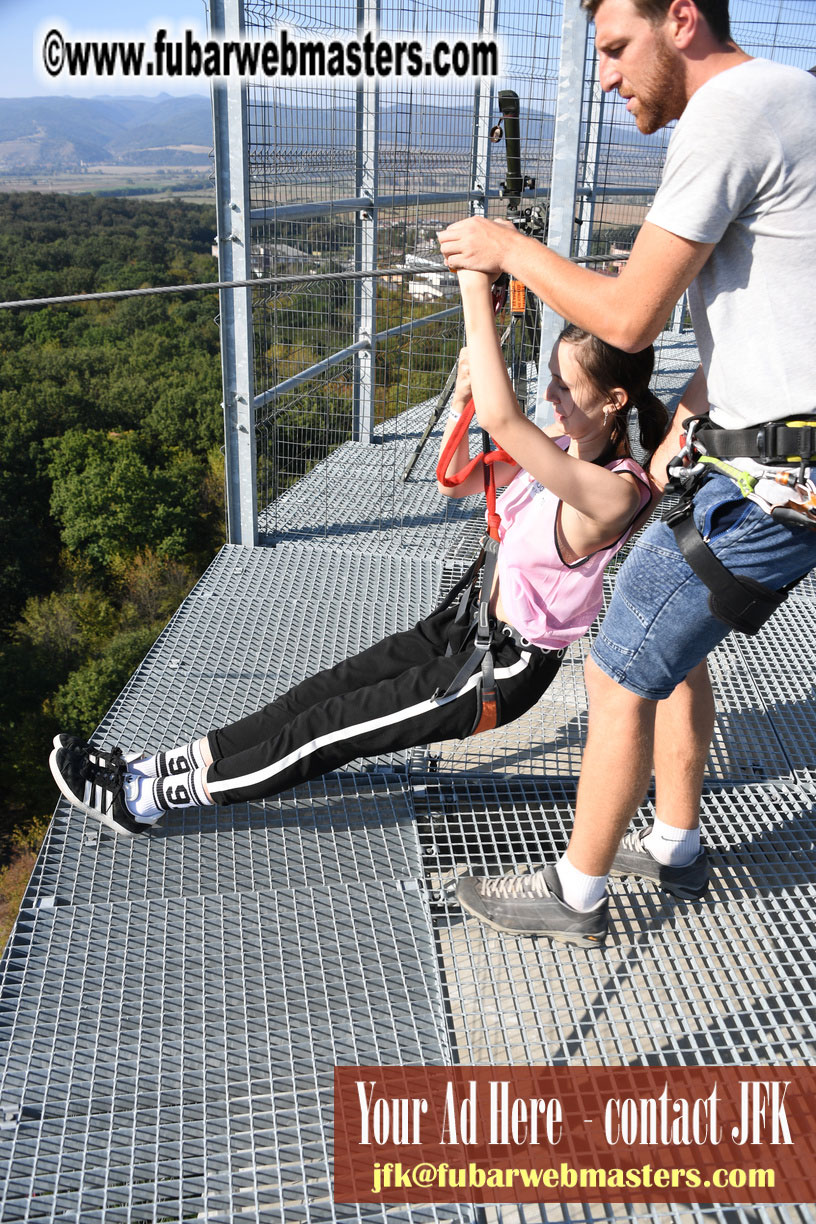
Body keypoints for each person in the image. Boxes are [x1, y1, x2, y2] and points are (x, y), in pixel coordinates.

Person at [441, 0, 816, 945]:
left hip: (775, 485)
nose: (606, 75)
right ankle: (680, 840)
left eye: (615, 48)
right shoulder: (792, 97)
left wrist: (507, 249)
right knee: (673, 656)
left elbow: (629, 318)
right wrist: (701, 398)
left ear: (680, 18)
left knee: (616, 673)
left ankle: (576, 895)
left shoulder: (729, 112)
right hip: (773, 457)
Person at [49, 270, 664, 841]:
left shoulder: (613, 493)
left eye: (565, 385)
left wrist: (476, 287)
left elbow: (506, 420)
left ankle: (145, 800)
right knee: (311, 697)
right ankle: (161, 763)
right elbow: (454, 479)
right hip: (460, 626)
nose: (551, 395)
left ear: (613, 401)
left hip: (499, 670)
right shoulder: (559, 446)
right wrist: (462, 403)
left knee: (325, 732)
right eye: (551, 380)